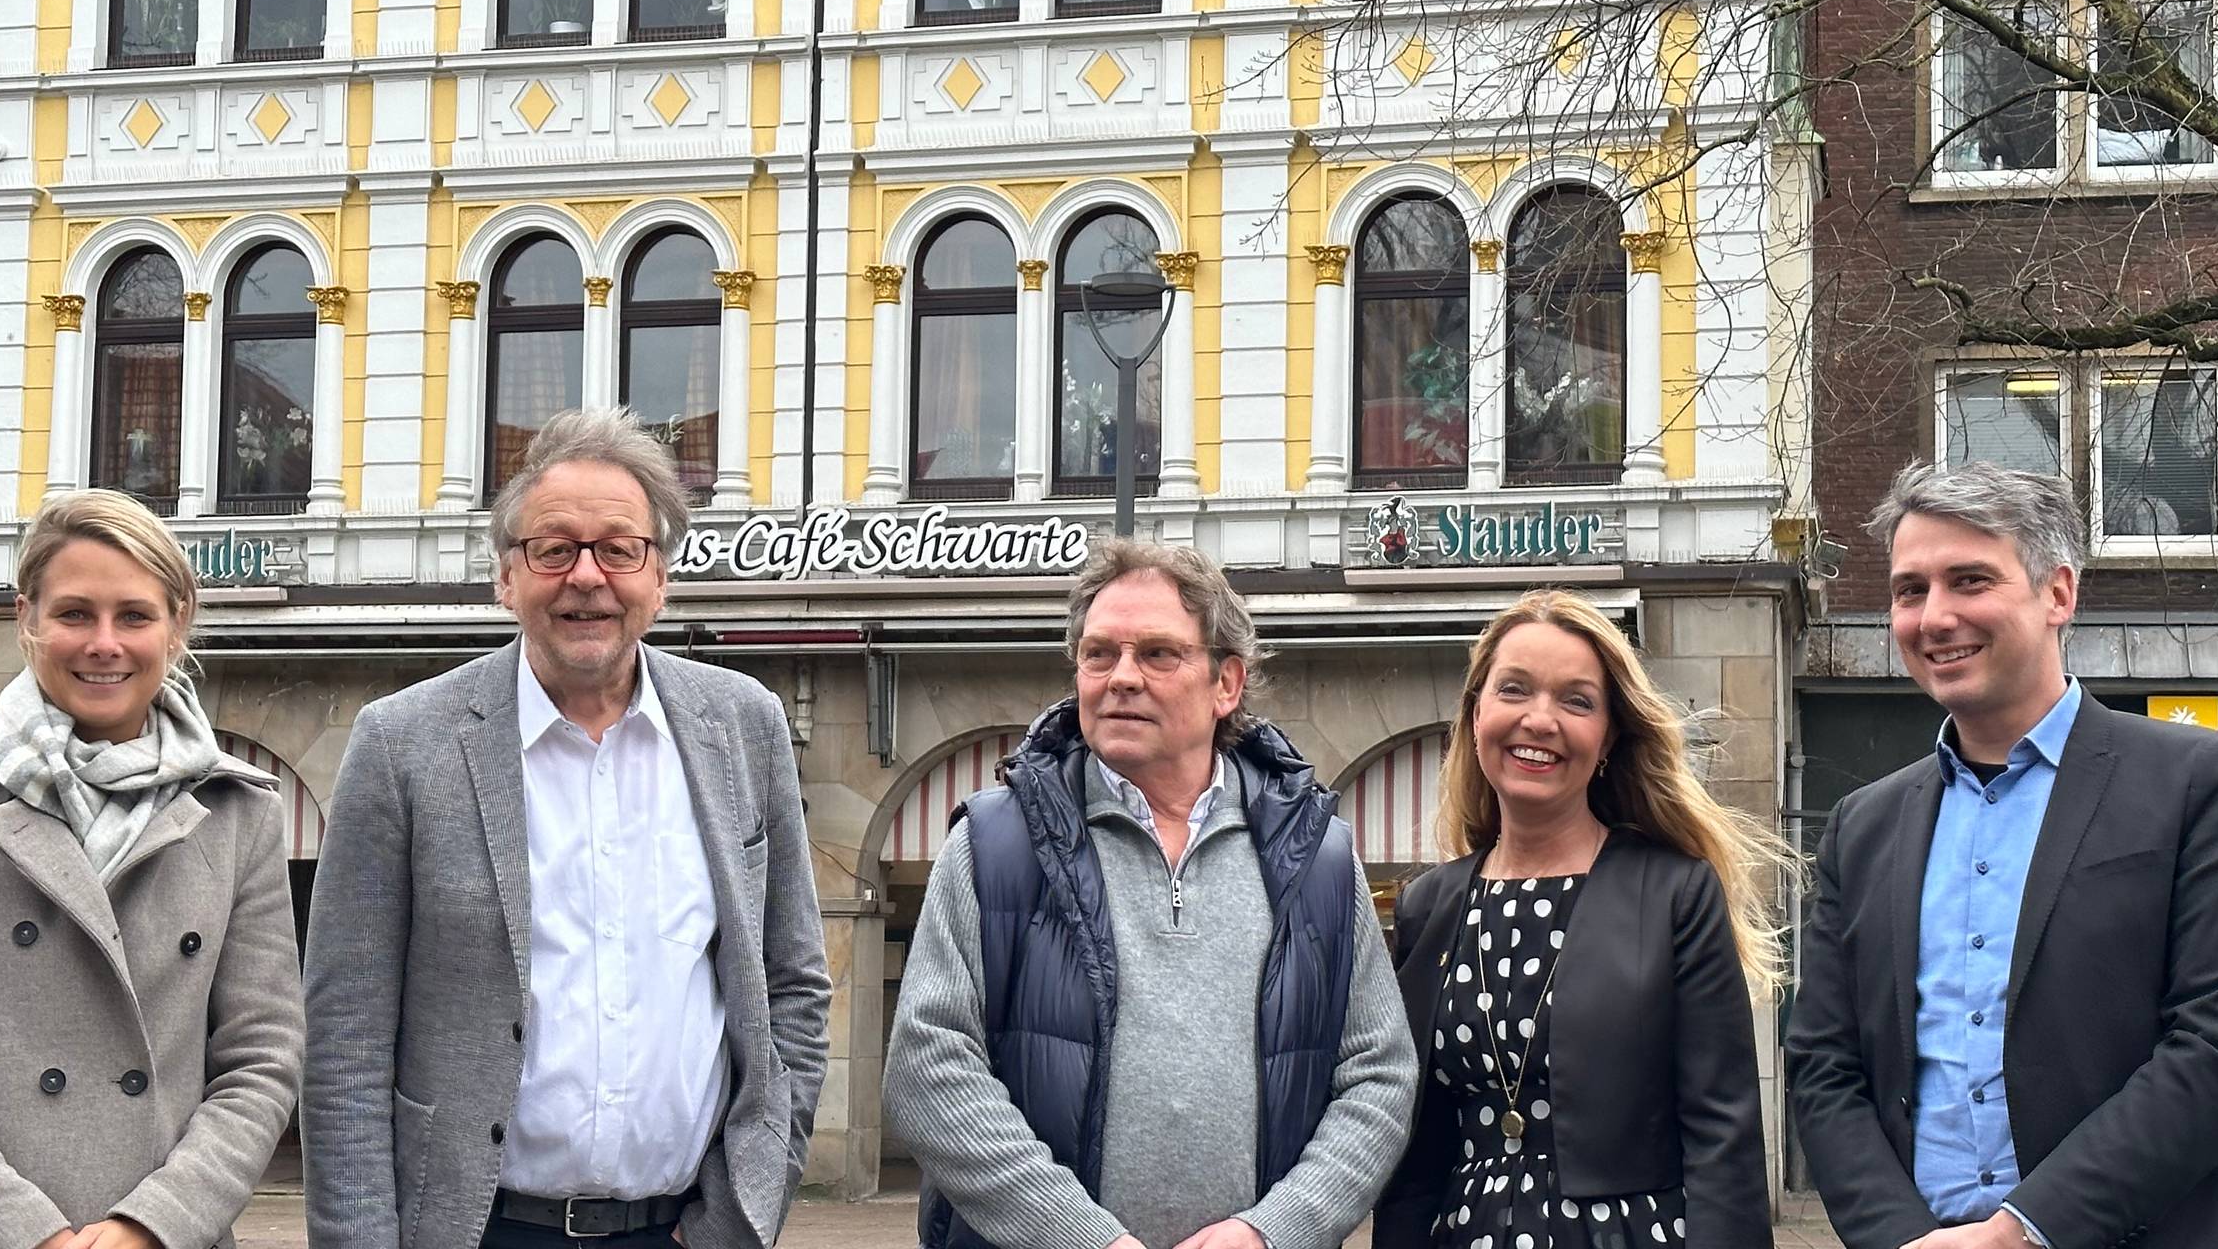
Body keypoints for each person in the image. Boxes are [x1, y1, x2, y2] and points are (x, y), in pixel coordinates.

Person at [301, 408, 831, 1249]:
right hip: (476, 1230)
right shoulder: (402, 743)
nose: (588, 577)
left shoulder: (745, 726)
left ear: (660, 577)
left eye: (619, 549)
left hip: (684, 1230)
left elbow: (793, 987)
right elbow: (345, 1039)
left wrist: (743, 1211)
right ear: (506, 578)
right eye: (553, 549)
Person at [1789, 460, 2218, 1249]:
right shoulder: (1864, 825)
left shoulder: (2203, 783)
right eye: (1909, 590)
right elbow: (1824, 1067)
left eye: (1969, 581)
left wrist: (2020, 1233)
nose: (1934, 617)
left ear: (2058, 593)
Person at [885, 539, 1417, 1249]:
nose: (1122, 677)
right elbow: (929, 1068)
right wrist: (1081, 1238)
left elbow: (1379, 1078)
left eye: (1158, 654)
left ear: (1226, 683)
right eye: (1099, 654)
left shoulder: (1318, 861)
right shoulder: (993, 845)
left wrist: (1274, 1232)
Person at [0, 488, 304, 1249]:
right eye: (75, 613)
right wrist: (26, 1233)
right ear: (27, 620)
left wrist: (152, 1226)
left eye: (135, 616)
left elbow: (262, 1061)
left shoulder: (241, 815)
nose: (104, 643)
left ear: (176, 626)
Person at [1374, 589, 1783, 1249]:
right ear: (1476, 714)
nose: (1540, 719)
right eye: (1515, 690)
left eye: (1576, 700)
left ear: (1609, 738)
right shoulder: (1430, 905)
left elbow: (1722, 1139)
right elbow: (1416, 1156)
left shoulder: (1674, 893)